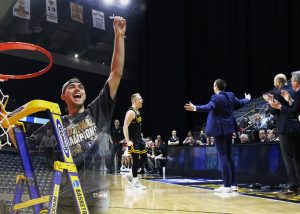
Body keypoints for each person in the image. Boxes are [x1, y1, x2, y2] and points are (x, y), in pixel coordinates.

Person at [29, 16, 126, 213]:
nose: (77, 88)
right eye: (71, 87)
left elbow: (115, 73)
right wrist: (5, 119)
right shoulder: (55, 124)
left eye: (80, 86)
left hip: (96, 196)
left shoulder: (98, 110)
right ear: (63, 96)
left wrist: (119, 36)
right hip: (65, 197)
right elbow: (25, 144)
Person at [184, 79, 251, 193]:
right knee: (229, 157)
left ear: (216, 86)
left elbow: (209, 107)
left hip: (219, 130)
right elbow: (241, 102)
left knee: (222, 156)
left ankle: (226, 186)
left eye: (213, 85)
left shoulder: (215, 97)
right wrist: (248, 98)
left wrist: (195, 107)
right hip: (229, 129)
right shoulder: (230, 95)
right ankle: (233, 184)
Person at [263, 72, 300, 197]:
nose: (274, 85)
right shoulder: (295, 91)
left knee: (288, 158)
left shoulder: (278, 93)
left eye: (274, 83)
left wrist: (269, 102)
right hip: (296, 127)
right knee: (297, 157)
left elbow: (274, 111)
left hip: (285, 128)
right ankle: (298, 183)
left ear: (278, 82)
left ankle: (293, 185)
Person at [123, 93, 147, 190]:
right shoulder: (131, 112)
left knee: (144, 158)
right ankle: (135, 182)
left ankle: (130, 174)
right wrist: (127, 141)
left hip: (139, 139)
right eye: (140, 99)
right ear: (135, 100)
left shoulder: (138, 112)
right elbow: (125, 126)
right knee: (136, 160)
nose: (142, 100)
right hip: (133, 140)